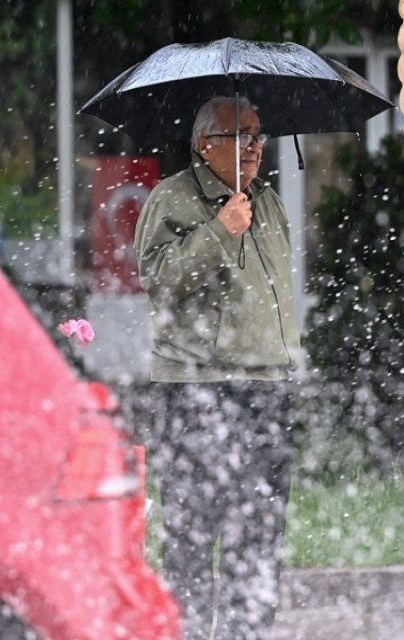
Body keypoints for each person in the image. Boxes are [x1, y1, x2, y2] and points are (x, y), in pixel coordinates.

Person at [133, 95, 301, 640]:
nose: (255, 146)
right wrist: (218, 230)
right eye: (241, 135)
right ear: (206, 144)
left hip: (267, 390)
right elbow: (159, 281)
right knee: (192, 534)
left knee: (259, 535)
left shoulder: (269, 203)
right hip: (196, 390)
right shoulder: (172, 199)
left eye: (258, 135)